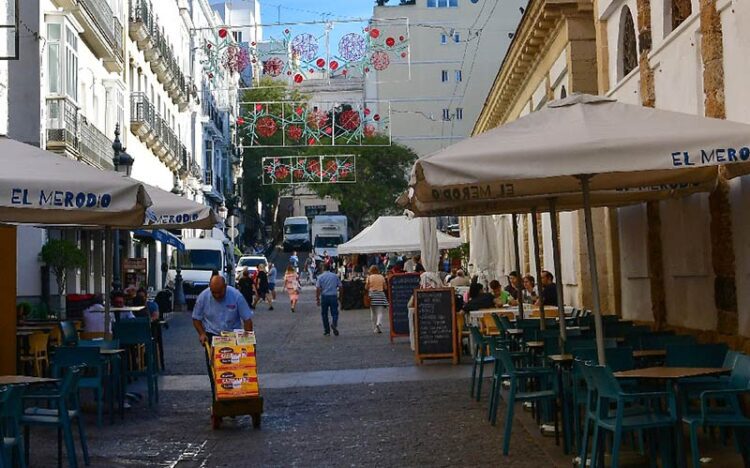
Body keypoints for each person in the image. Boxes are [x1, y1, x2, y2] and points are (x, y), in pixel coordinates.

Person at [192, 275, 253, 347]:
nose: (217, 295)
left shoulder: (237, 296)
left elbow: (247, 320)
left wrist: (247, 341)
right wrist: (202, 333)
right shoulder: (203, 297)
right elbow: (196, 318)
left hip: (233, 336)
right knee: (212, 358)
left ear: (225, 287)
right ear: (210, 288)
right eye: (214, 292)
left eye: (220, 292)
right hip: (212, 335)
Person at [315, 263, 342, 336]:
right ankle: (334, 324)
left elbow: (318, 288)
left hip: (325, 296)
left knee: (324, 314)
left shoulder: (320, 277)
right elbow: (340, 286)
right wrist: (340, 296)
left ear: (323, 268)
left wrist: (317, 298)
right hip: (333, 296)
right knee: (335, 313)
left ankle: (327, 331)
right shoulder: (335, 276)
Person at [365, 265, 388, 334]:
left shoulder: (369, 277)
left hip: (372, 295)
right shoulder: (381, 277)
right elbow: (385, 287)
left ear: (371, 271)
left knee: (373, 312)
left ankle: (375, 328)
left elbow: (366, 287)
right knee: (380, 312)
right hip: (380, 295)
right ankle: (378, 324)